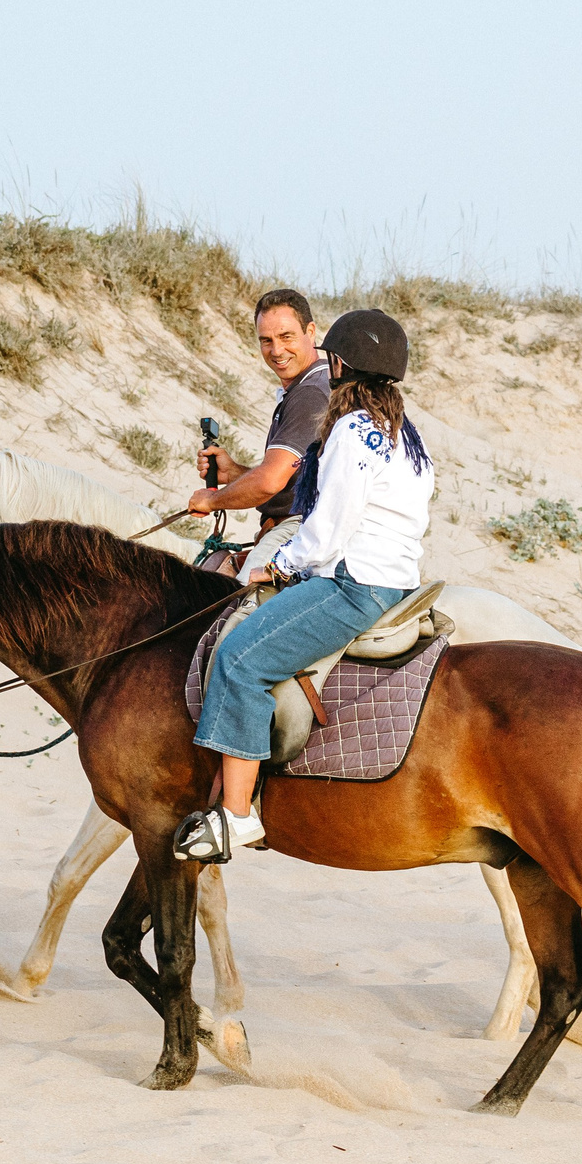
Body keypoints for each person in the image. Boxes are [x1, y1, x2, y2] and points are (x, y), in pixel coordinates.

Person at [175, 309, 434, 860]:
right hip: (396, 583)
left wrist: (284, 565)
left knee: (240, 658)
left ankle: (235, 816)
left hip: (352, 586)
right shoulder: (404, 433)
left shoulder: (352, 429)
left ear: (338, 363)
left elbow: (330, 528)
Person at [185, 288, 332, 578]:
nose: (276, 350)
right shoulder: (313, 383)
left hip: (299, 526)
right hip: (296, 523)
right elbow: (290, 479)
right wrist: (235, 473)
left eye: (286, 336)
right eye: (266, 340)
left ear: (310, 331)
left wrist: (212, 500)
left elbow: (269, 482)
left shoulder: (310, 393)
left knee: (236, 613)